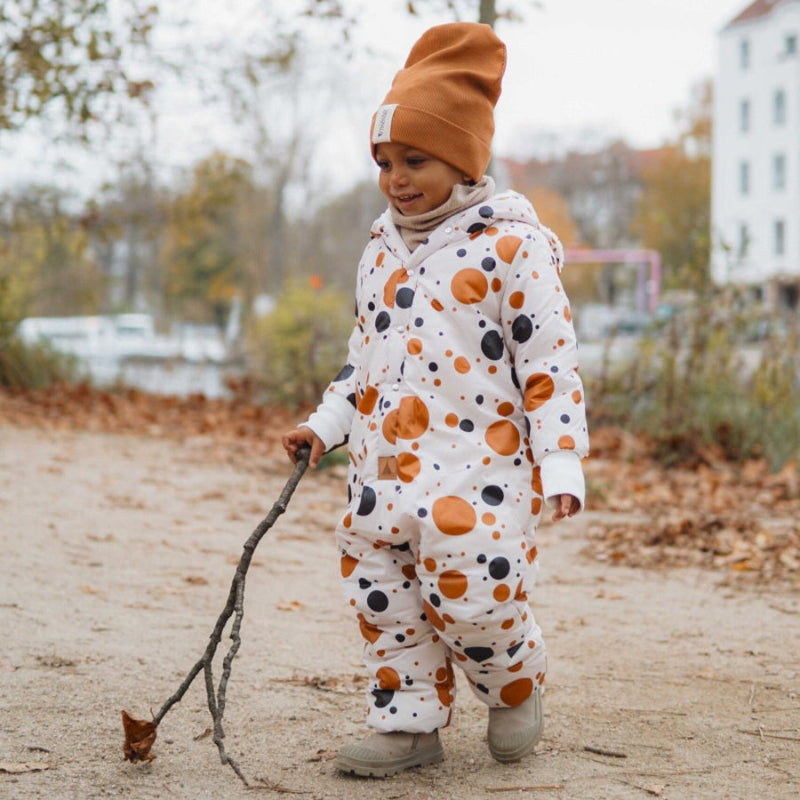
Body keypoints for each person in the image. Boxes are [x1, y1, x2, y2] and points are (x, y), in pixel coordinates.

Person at [283, 21, 589, 778]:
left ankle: (512, 680)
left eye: (414, 159)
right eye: (384, 161)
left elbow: (549, 363)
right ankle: (408, 723)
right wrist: (325, 426)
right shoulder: (379, 252)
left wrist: (561, 460)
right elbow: (365, 361)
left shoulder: (512, 249)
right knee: (383, 598)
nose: (396, 177)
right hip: (382, 471)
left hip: (476, 473)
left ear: (463, 157)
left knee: (474, 594)